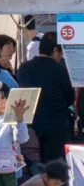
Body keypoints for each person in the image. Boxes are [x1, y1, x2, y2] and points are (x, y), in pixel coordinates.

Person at [16, 32, 78, 168]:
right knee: (55, 169)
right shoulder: (60, 70)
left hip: (30, 125)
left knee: (32, 168)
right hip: (56, 126)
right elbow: (70, 98)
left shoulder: (24, 68)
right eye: (61, 52)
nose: (61, 56)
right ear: (55, 50)